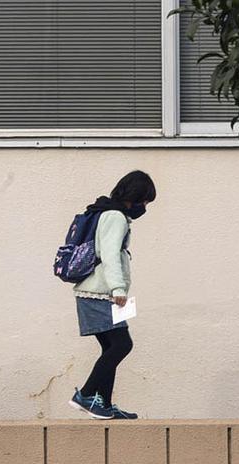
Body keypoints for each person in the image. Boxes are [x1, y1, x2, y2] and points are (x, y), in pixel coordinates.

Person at [68, 171, 155, 420]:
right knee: (122, 345)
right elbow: (109, 254)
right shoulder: (115, 217)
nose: (145, 206)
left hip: (97, 292)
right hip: (100, 293)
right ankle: (85, 395)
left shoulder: (105, 212)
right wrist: (118, 289)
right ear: (136, 196)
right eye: (146, 200)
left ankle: (103, 405)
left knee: (111, 346)